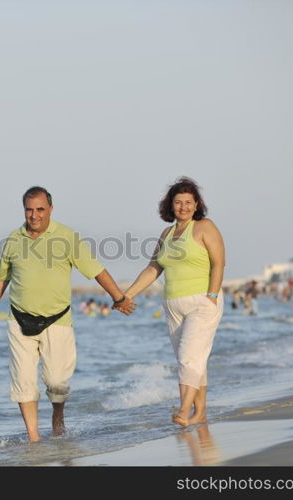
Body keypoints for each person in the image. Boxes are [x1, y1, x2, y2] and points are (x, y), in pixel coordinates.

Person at [0, 186, 133, 442]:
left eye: (40, 209)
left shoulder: (67, 238)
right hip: (19, 320)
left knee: (56, 381)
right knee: (23, 382)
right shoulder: (13, 240)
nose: (34, 215)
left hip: (57, 320)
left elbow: (96, 270)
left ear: (50, 209)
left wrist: (118, 297)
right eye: (29, 210)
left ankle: (57, 416)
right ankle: (34, 438)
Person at [116, 176, 225, 428]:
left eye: (189, 202)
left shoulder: (205, 227)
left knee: (189, 357)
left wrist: (212, 295)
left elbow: (219, 263)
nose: (184, 207)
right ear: (171, 205)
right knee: (192, 359)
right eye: (178, 202)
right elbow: (153, 268)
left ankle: (184, 411)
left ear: (197, 204)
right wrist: (128, 295)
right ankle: (200, 412)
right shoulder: (166, 233)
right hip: (173, 305)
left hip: (203, 301)